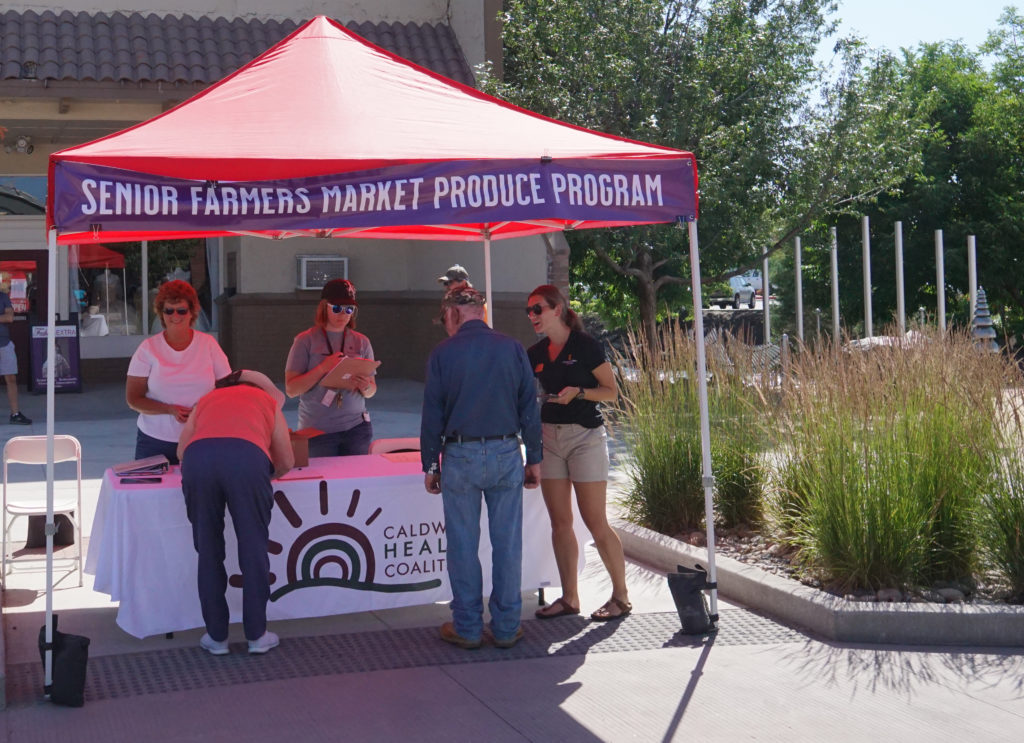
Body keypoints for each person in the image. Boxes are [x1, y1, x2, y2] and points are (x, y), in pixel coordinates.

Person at [420, 286, 542, 650]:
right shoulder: (512, 348)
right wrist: (533, 458)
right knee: (507, 543)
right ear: (482, 312)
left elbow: (433, 414)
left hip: (461, 454)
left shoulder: (443, 353)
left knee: (462, 544)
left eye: (445, 318)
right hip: (507, 450)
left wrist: (430, 464)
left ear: (454, 313)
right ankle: (506, 626)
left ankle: (468, 626)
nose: (445, 325)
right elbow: (529, 407)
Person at [526, 284, 631, 621]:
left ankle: (621, 597)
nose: (532, 317)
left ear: (558, 309)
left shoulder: (584, 345)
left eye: (537, 309)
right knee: (559, 522)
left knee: (595, 521)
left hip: (585, 437)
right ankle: (570, 598)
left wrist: (579, 393)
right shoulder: (537, 352)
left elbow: (611, 392)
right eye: (529, 312)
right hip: (550, 438)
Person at [177, 369, 294, 656]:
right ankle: (257, 635)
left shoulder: (207, 399)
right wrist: (264, 474)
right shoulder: (266, 401)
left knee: (208, 549)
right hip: (247, 459)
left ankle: (216, 637)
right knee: (253, 548)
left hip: (198, 459)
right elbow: (287, 460)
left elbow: (181, 451)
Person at [126, 280, 231, 464]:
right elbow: (133, 399)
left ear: (192, 313)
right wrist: (169, 409)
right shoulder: (147, 349)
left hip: (202, 437)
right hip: (154, 441)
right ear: (161, 313)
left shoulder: (209, 344)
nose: (175, 315)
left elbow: (228, 388)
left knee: (201, 492)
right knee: (150, 493)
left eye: (181, 310)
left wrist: (203, 409)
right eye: (169, 310)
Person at [285, 279, 377, 457]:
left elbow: (372, 390)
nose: (343, 314)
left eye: (349, 309)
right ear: (324, 307)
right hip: (318, 431)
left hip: (356, 428)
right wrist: (323, 368)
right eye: (337, 308)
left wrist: (365, 386)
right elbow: (291, 389)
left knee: (357, 482)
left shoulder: (362, 341)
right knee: (322, 483)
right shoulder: (305, 341)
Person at [0, 281, 30, 424]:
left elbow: (9, 318)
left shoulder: (3, 297)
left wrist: (4, 317)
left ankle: (15, 413)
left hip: (4, 343)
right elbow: (4, 317)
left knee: (11, 379)